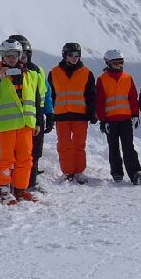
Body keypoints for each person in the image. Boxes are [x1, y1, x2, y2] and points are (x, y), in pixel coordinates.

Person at [0, 38, 43, 203]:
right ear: (2, 55)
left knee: (26, 158)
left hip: (26, 124)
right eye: (8, 55)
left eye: (15, 55)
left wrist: (38, 121)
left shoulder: (30, 74)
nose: (12, 58)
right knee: (7, 158)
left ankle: (20, 189)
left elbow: (36, 99)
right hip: (5, 125)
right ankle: (3, 188)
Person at [47, 42, 95, 183]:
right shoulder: (54, 73)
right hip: (61, 115)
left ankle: (79, 172)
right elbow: (50, 95)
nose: (75, 57)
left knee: (79, 145)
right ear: (65, 55)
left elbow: (91, 95)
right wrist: (50, 113)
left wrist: (92, 113)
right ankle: (68, 172)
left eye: (77, 54)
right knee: (64, 145)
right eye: (71, 54)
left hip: (80, 115)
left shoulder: (87, 73)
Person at [5, 35, 48, 189]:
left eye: (25, 55)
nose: (22, 59)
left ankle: (29, 183)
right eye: (19, 55)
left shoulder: (36, 71)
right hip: (13, 120)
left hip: (34, 116)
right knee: (11, 154)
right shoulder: (5, 71)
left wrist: (47, 114)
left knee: (34, 153)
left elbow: (43, 94)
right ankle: (8, 184)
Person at [95, 49, 141, 182]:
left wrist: (135, 115)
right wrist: (103, 121)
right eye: (115, 63)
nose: (119, 65)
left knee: (129, 147)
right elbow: (99, 102)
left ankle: (135, 172)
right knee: (113, 147)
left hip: (126, 120)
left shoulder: (127, 78)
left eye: (121, 62)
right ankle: (117, 173)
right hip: (111, 121)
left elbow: (133, 98)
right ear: (108, 63)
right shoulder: (102, 79)